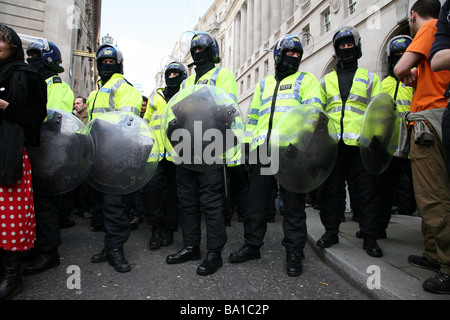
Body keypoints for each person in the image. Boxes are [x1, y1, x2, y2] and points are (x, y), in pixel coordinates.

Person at [229, 33, 324, 277]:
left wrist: (300, 145)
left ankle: (294, 252)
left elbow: (313, 116)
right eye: (289, 53)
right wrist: (249, 147)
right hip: (263, 151)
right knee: (256, 203)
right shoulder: (263, 85)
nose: (293, 57)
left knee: (293, 206)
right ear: (278, 55)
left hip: (292, 152)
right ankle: (252, 246)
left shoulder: (307, 80)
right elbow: (253, 118)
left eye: (297, 54)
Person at [166, 31, 237, 276]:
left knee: (211, 202)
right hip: (186, 148)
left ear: (212, 53)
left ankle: (214, 252)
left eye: (202, 49)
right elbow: (179, 112)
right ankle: (191, 246)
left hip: (211, 147)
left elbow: (229, 109)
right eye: (194, 50)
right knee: (187, 201)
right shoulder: (186, 82)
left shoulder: (222, 75)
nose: (198, 53)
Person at [395, 0, 450, 294]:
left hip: (430, 121)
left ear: (413, 15)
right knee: (430, 195)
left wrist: (407, 68)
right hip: (436, 115)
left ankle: (448, 266)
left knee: (433, 198)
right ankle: (433, 255)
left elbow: (400, 66)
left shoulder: (429, 27)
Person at [316, 26, 384, 257]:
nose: (346, 49)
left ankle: (370, 237)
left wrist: (376, 138)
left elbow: (379, 112)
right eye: (342, 46)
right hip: (334, 146)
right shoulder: (326, 81)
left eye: (349, 45)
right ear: (336, 50)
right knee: (332, 192)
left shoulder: (370, 78)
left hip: (361, 146)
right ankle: (331, 232)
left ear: (357, 48)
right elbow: (319, 114)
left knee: (365, 193)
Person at [0, 24, 47, 299]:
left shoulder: (27, 75)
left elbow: (36, 118)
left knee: (10, 218)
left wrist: (7, 107)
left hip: (10, 153)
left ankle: (12, 275)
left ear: (12, 45)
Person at [22, 39, 75, 276]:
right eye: (29, 55)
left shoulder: (57, 86)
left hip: (46, 153)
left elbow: (50, 120)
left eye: (36, 55)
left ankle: (48, 251)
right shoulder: (32, 81)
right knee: (30, 204)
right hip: (28, 150)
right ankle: (33, 245)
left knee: (44, 204)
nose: (31, 59)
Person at [88, 44, 143, 273]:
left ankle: (116, 249)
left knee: (115, 205)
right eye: (102, 62)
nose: (106, 65)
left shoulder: (124, 87)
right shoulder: (95, 92)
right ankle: (108, 245)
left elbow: (126, 123)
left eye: (111, 62)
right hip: (97, 155)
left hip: (117, 155)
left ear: (118, 65)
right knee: (102, 205)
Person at [142, 61, 186, 249]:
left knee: (173, 194)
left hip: (178, 153)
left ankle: (169, 229)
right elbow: (145, 123)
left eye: (176, 74)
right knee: (153, 191)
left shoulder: (187, 96)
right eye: (169, 73)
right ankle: (156, 228)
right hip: (157, 153)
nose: (172, 77)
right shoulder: (156, 97)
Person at [376, 35, 416, 237]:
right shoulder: (384, 84)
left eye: (404, 54)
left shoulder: (417, 80)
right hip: (390, 146)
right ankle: (378, 228)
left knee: (423, 189)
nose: (400, 58)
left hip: (414, 143)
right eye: (396, 55)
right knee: (383, 189)